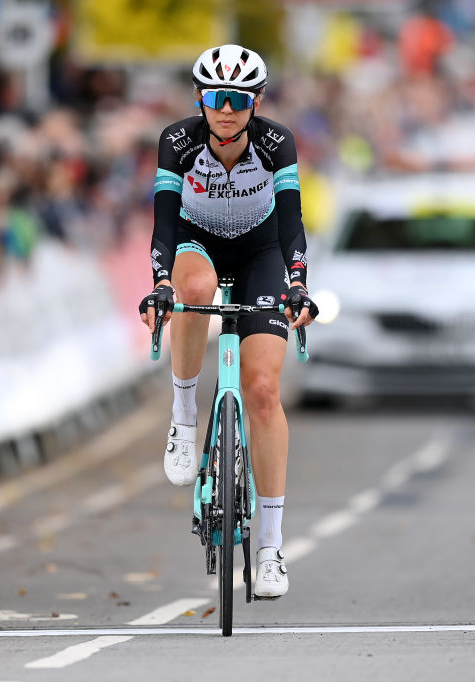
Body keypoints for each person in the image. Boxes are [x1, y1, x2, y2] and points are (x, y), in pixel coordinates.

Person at [138, 44, 319, 597]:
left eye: (238, 99)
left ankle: (269, 548)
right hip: (197, 242)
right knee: (193, 289)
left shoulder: (275, 142)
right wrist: (160, 284)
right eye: (216, 97)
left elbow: (292, 220)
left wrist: (297, 281)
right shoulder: (177, 141)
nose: (226, 109)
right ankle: (184, 413)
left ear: (255, 103)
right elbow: (164, 222)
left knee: (263, 390)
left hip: (261, 251)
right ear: (200, 99)